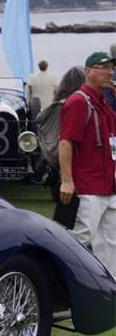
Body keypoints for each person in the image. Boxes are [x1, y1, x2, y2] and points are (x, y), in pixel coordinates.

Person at [58, 52, 116, 277]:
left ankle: (108, 288)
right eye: (103, 68)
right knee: (79, 241)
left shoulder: (103, 103)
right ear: (89, 71)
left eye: (111, 68)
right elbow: (66, 142)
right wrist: (67, 180)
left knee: (110, 244)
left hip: (108, 186)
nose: (109, 72)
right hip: (88, 188)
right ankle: (67, 286)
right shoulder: (79, 101)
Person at [41, 66, 86, 228]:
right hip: (73, 171)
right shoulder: (73, 107)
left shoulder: (54, 108)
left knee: (67, 220)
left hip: (58, 169)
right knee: (77, 223)